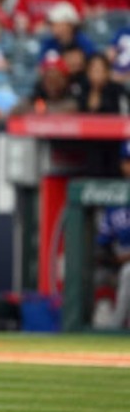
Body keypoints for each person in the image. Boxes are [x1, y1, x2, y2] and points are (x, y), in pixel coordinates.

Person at [93, 140, 130, 329]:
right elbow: (103, 244)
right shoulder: (114, 199)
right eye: (128, 161)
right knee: (99, 276)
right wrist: (111, 258)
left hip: (126, 264)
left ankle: (115, 330)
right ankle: (101, 324)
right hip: (120, 260)